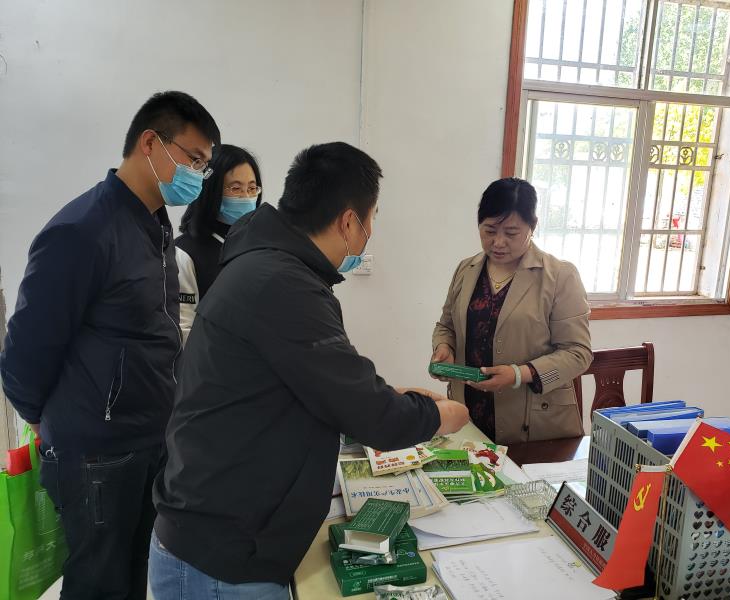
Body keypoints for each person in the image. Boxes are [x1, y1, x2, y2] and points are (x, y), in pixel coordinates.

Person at [149, 142, 469, 600]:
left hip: (225, 536)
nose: (370, 232)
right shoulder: (283, 283)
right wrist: (439, 417)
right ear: (349, 222)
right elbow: (370, 413)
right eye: (372, 218)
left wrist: (386, 396)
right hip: (222, 559)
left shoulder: (268, 266)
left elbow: (320, 383)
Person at [0, 91, 220, 600]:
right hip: (96, 456)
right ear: (151, 143)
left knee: (135, 576)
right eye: (193, 160)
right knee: (99, 585)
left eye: (204, 167)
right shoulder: (82, 230)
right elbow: (25, 354)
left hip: (148, 442)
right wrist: (49, 423)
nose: (198, 176)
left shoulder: (154, 226)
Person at [431, 177, 591, 445]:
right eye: (490, 231)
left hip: (534, 423)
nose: (498, 242)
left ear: (533, 226)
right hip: (469, 413)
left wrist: (518, 374)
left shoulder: (560, 276)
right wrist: (443, 348)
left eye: (511, 233)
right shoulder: (466, 270)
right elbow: (446, 326)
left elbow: (578, 353)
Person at [175, 144, 263, 341]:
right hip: (211, 357)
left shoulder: (260, 245)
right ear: (211, 191)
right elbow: (184, 329)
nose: (246, 197)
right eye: (236, 188)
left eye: (252, 188)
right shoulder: (184, 253)